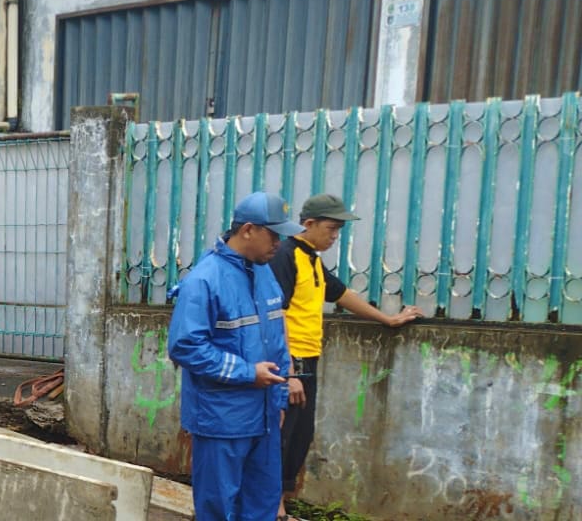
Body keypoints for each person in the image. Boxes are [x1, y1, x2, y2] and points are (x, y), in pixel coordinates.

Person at [270, 194, 423, 518]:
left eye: (338, 230)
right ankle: (273, 506)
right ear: (309, 224)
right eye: (331, 228)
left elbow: (341, 294)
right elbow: (276, 314)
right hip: (291, 360)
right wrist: (288, 371)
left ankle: (278, 501)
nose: (335, 236)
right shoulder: (285, 255)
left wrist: (387, 319)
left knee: (300, 436)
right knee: (282, 435)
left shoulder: (311, 259)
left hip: (308, 359)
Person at [167, 192, 297, 521]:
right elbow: (185, 346)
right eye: (274, 234)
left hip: (265, 416)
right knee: (218, 507)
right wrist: (247, 372)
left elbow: (276, 338)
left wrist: (280, 399)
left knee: (262, 502)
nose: (279, 244)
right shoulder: (204, 280)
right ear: (249, 230)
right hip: (222, 419)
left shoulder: (264, 272)